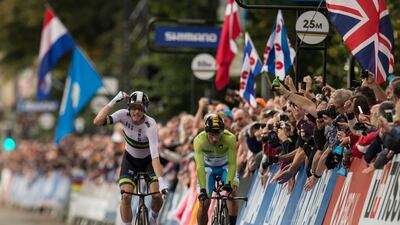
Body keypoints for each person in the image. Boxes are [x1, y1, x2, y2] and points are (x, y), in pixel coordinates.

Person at [93, 91, 168, 225]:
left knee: (156, 195)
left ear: (145, 109)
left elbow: (155, 156)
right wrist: (114, 100)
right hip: (130, 161)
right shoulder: (122, 114)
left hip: (148, 161)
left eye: (140, 109)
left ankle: (153, 219)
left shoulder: (150, 124)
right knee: (126, 196)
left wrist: (161, 180)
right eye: (133, 108)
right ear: (129, 108)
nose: (136, 112)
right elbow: (97, 121)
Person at [193, 114, 238, 225]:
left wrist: (228, 183)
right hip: (208, 168)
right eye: (212, 134)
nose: (215, 138)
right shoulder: (199, 140)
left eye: (218, 134)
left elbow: (232, 164)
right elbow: (199, 166)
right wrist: (203, 189)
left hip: (225, 167)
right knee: (204, 203)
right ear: (206, 132)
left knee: (232, 193)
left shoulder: (230, 138)